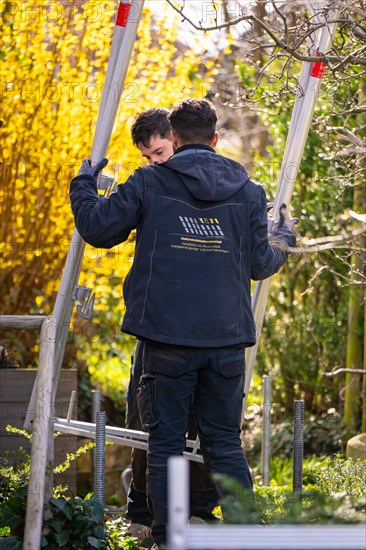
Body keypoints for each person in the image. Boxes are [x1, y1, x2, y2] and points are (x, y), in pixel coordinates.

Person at [70, 98, 297, 549]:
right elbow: (260, 263)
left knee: (166, 445)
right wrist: (283, 238)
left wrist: (83, 182)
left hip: (167, 340)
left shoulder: (149, 182)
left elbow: (97, 228)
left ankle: (169, 538)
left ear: (173, 139)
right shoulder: (250, 191)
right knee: (224, 443)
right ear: (215, 139)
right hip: (227, 341)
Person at [125, 108, 219, 543]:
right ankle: (143, 509)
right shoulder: (152, 184)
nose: (155, 162)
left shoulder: (216, 182)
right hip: (159, 321)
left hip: (205, 321)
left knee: (204, 418)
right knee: (148, 414)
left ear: (177, 140)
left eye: (160, 151)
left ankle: (199, 507)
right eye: (147, 157)